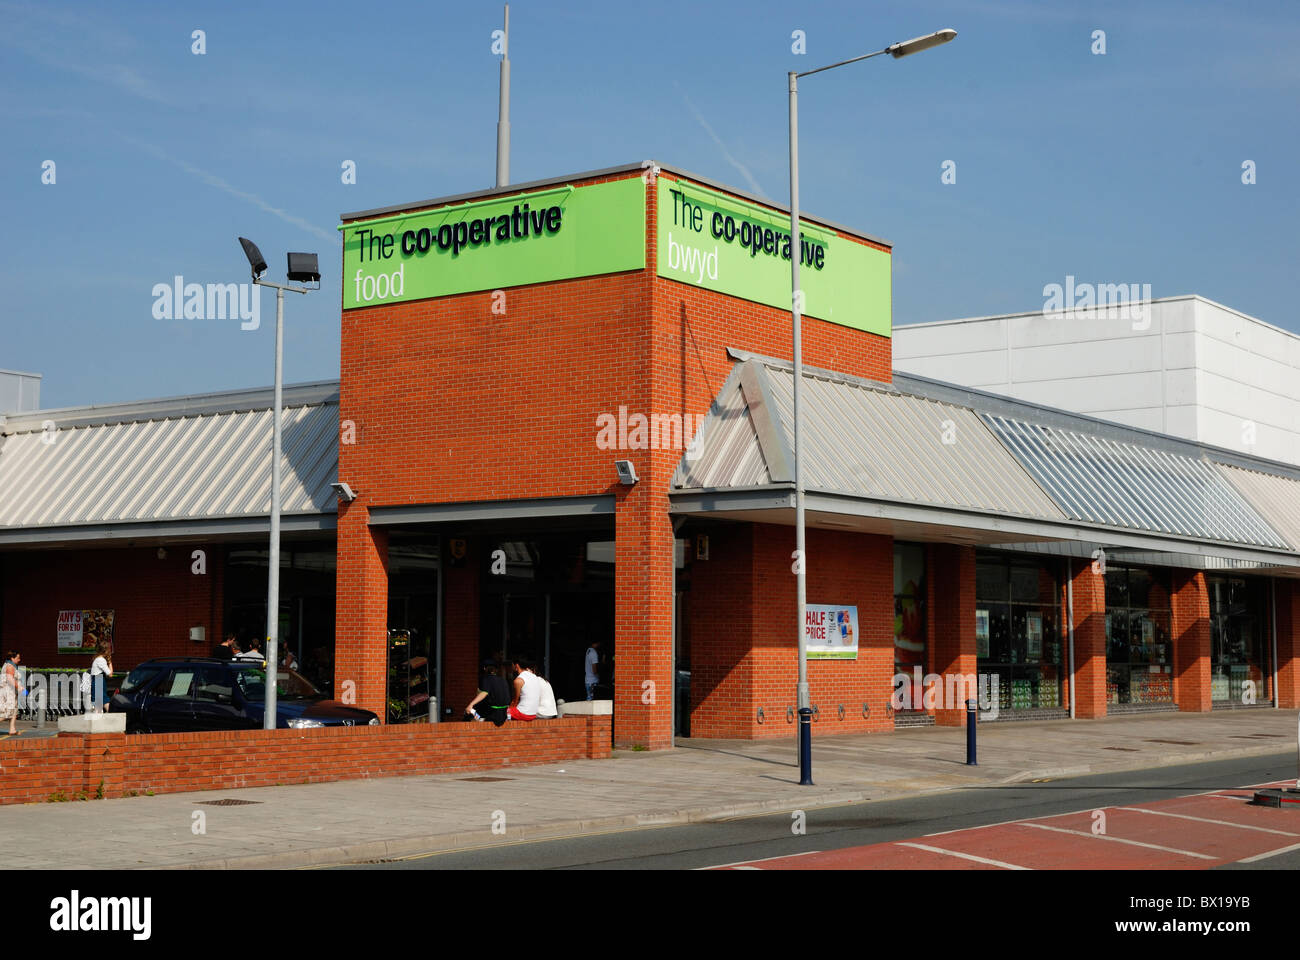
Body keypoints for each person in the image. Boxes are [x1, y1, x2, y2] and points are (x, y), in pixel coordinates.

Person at [465, 659, 511, 726]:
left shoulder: (486, 679)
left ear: (484, 668)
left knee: (470, 711)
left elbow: (484, 693)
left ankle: (480, 721)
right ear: (496, 670)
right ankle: (480, 719)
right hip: (504, 713)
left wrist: (470, 704)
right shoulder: (503, 680)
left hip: (494, 714)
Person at [507, 657, 542, 722]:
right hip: (533, 713)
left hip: (523, 714)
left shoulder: (518, 680)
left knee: (502, 713)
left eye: (511, 665)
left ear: (516, 665)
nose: (511, 667)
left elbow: (515, 701)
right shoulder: (534, 676)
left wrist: (509, 709)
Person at [86, 640, 113, 713]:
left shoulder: (98, 659)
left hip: (97, 680)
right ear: (106, 650)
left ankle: (104, 718)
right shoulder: (101, 660)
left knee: (99, 703)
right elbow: (110, 674)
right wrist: (110, 662)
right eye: (109, 649)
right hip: (98, 681)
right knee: (103, 701)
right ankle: (111, 717)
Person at [1, 650, 22, 736]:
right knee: (6, 713)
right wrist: (19, 687)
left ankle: (12, 730)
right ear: (12, 658)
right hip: (8, 693)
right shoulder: (10, 666)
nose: (19, 660)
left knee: (13, 711)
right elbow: (10, 679)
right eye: (18, 658)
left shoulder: (10, 665)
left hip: (11, 692)